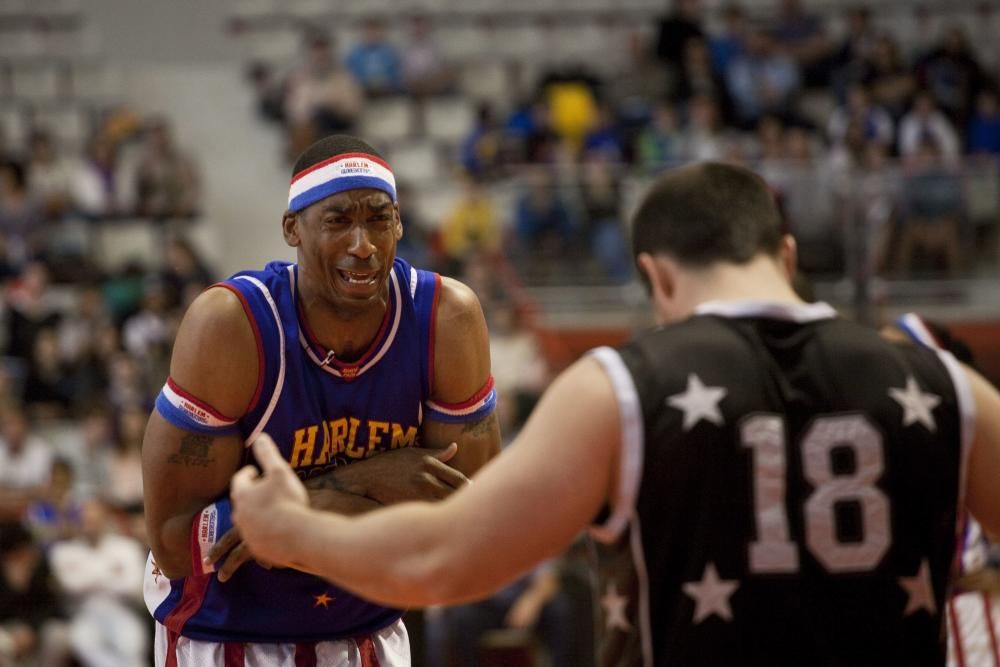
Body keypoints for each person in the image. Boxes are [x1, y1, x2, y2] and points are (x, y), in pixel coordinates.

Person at [231, 161, 1000, 666]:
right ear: (788, 254)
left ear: (654, 275)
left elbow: (447, 559)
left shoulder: (622, 388)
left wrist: (297, 530)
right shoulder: (945, 386)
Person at [141, 135, 500, 665]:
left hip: (369, 636)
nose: (364, 245)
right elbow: (177, 545)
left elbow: (470, 531)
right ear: (292, 229)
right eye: (337, 221)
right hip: (224, 637)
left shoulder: (447, 319)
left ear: (400, 223)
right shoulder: (232, 326)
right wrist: (365, 480)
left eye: (379, 219)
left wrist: (286, 516)